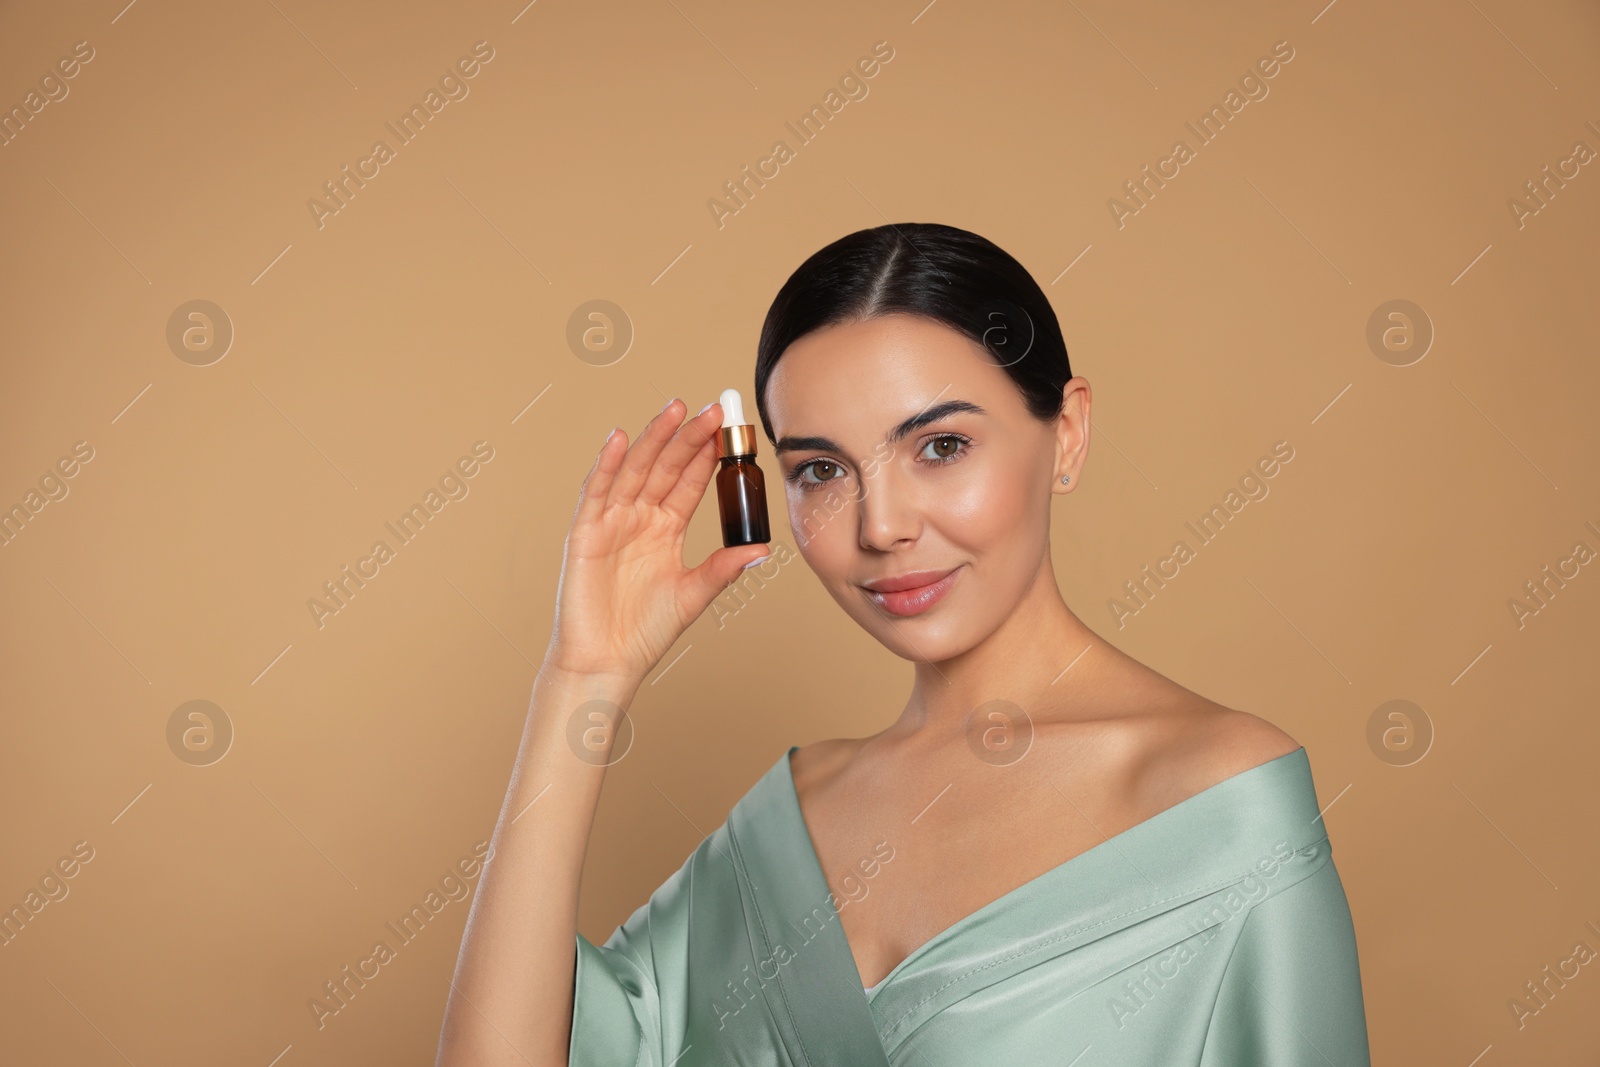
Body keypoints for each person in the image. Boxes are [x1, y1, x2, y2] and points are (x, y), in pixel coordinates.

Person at [435, 222, 1372, 1066]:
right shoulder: (780, 831)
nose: (881, 525)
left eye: (940, 447)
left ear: (1069, 431)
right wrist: (581, 681)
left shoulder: (1219, 803)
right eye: (821, 470)